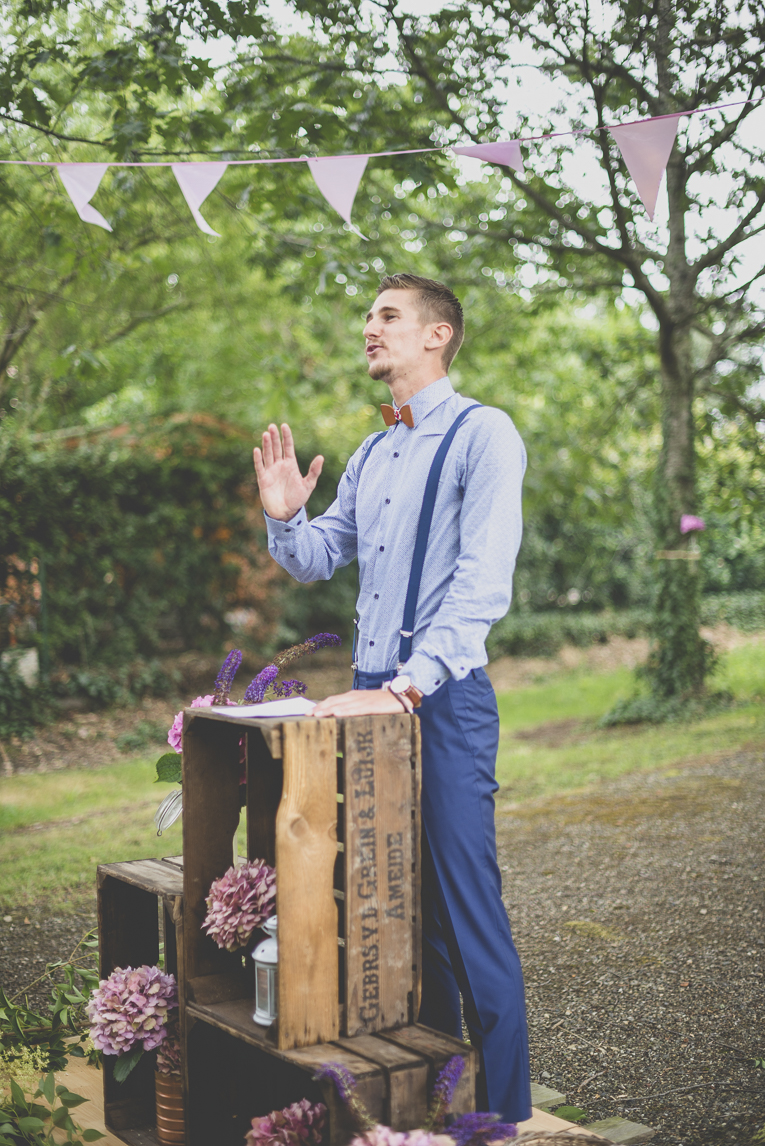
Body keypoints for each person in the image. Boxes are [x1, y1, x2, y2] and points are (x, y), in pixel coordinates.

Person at [253, 273, 531, 1124]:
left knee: (462, 906)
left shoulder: (486, 435)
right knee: (394, 909)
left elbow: (483, 586)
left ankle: (506, 1116)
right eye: (367, 315)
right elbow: (316, 558)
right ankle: (432, 1102)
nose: (368, 328)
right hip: (368, 696)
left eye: (387, 316)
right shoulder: (373, 452)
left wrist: (408, 688)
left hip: (439, 699)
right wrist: (284, 518)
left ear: (437, 335)